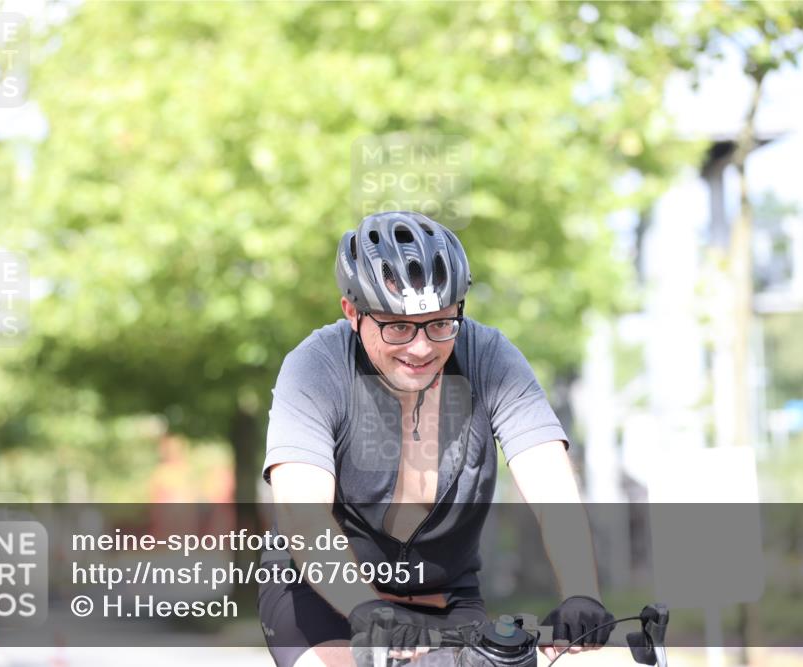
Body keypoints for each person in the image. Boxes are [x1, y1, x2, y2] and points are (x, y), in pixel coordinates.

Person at [258, 211, 613, 667]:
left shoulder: (490, 359)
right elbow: (301, 513)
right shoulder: (316, 368)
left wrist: (581, 590)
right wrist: (367, 610)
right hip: (320, 596)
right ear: (352, 312)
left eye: (440, 323)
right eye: (398, 327)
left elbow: (550, 485)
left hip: (444, 596)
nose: (422, 347)